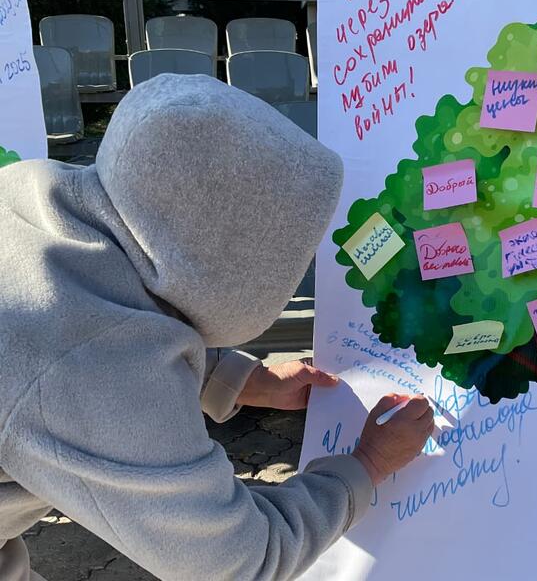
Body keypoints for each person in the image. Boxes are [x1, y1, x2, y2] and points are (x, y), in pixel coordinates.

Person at [0, 74, 434, 581]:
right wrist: (368, 465)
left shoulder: (28, 190)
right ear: (234, 261)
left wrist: (242, 381)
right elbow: (237, 564)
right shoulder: (91, 368)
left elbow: (103, 309)